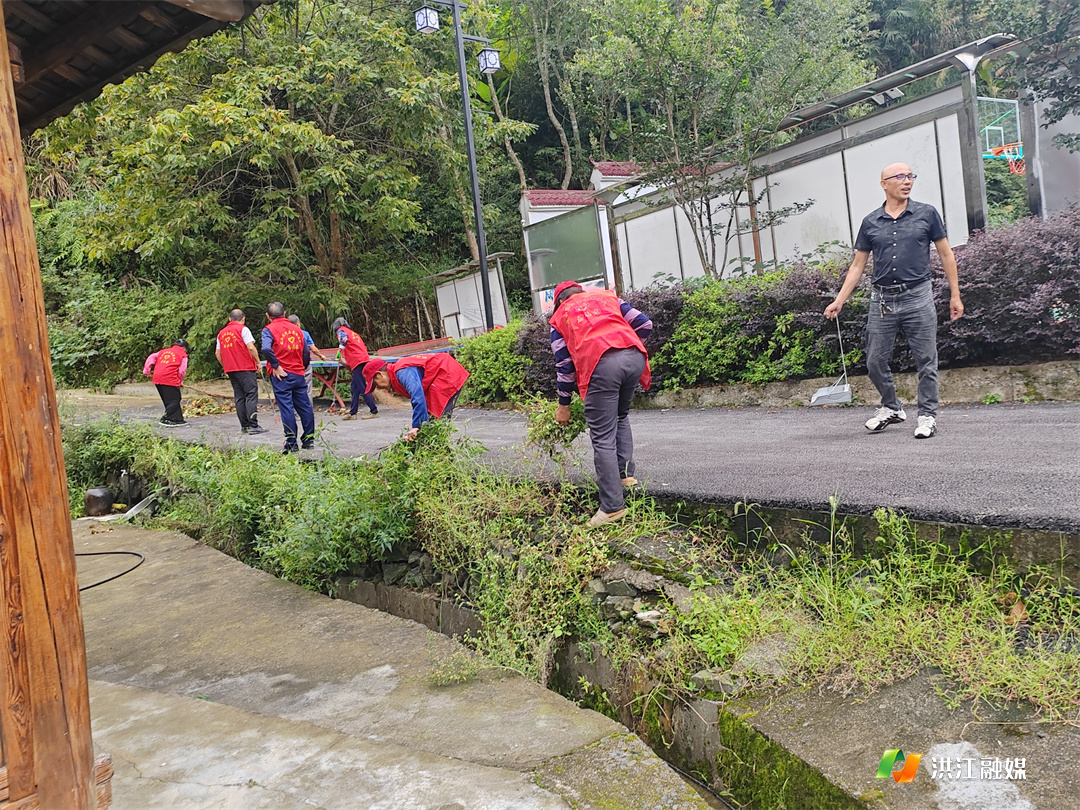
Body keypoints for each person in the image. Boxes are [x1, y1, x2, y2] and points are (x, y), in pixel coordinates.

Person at [824, 162, 963, 439]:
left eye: (910, 176)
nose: (907, 181)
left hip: (918, 296)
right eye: (900, 177)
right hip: (882, 300)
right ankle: (892, 407)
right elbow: (857, 265)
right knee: (874, 360)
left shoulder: (927, 213)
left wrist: (955, 294)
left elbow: (946, 254)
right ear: (884, 184)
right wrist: (840, 299)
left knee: (926, 360)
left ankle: (927, 416)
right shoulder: (871, 222)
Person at [549, 281, 652, 528]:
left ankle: (612, 507)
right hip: (634, 356)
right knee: (620, 416)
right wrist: (624, 346)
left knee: (602, 436)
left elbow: (564, 367)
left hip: (602, 364)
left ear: (560, 302)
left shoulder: (560, 316)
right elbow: (644, 324)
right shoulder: (608, 299)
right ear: (580, 293)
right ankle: (625, 475)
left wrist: (563, 405)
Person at [362, 353, 468, 441]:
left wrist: (416, 426)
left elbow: (417, 396)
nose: (378, 388)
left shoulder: (402, 372)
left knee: (439, 420)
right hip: (440, 375)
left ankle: (442, 454)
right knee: (431, 421)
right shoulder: (395, 375)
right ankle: (436, 452)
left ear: (380, 375)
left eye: (375, 384)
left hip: (446, 372)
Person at [261, 302, 315, 453]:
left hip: (281, 375)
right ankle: (309, 439)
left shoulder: (268, 330)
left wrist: (275, 365)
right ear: (284, 313)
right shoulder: (297, 330)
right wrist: (302, 367)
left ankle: (291, 442)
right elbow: (306, 352)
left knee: (287, 408)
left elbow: (265, 348)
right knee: (305, 406)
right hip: (298, 373)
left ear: (268, 316)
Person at [216, 309, 267, 435]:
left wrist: (225, 366)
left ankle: (244, 426)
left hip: (231, 369)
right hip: (245, 367)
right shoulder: (243, 329)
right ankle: (253, 425)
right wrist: (258, 362)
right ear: (243, 318)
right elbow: (250, 347)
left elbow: (218, 353)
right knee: (250, 395)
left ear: (229, 319)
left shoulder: (221, 333)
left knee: (239, 397)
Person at [331, 316, 379, 421]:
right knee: (355, 388)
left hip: (358, 361)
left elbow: (343, 340)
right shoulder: (352, 333)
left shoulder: (341, 331)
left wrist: (339, 351)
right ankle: (353, 413)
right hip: (362, 358)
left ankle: (374, 410)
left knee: (362, 386)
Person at [143, 339, 190, 427]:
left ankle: (177, 419)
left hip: (157, 378)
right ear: (184, 348)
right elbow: (182, 371)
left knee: (168, 400)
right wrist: (179, 381)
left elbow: (151, 357)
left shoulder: (163, 352)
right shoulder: (183, 355)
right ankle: (168, 419)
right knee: (175, 399)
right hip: (170, 378)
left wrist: (147, 370)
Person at [287, 315, 328, 403]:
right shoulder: (304, 334)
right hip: (303, 365)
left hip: (289, 366)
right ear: (298, 323)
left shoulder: (284, 335)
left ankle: (293, 412)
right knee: (307, 387)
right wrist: (321, 355)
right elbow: (313, 348)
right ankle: (308, 410)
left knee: (290, 389)